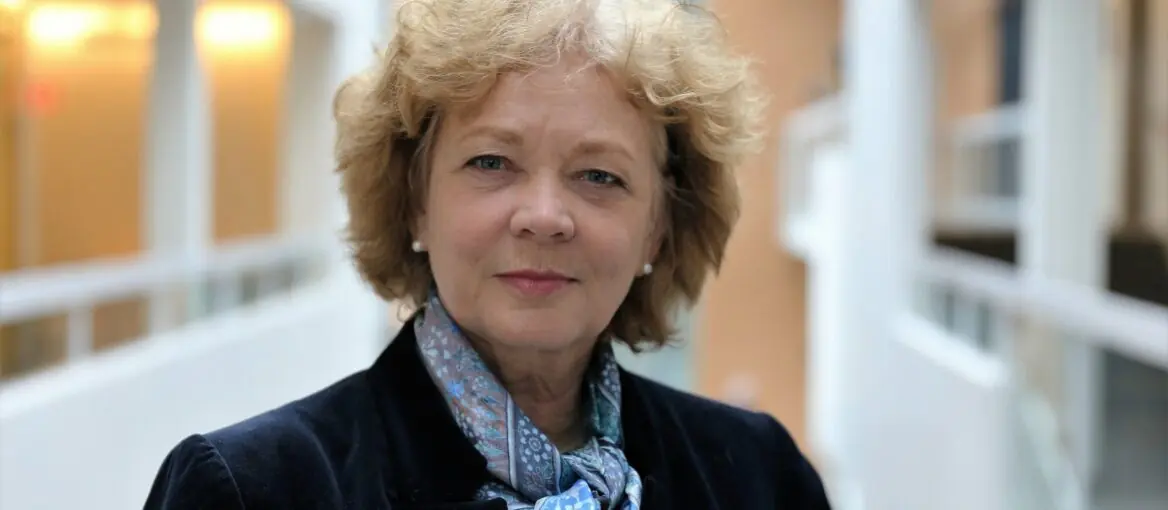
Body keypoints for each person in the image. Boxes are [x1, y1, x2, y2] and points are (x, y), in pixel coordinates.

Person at [144, 0, 831, 508]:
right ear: (415, 200)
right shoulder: (253, 489)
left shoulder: (760, 477)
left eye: (599, 175)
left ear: (657, 227)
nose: (544, 217)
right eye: (492, 162)